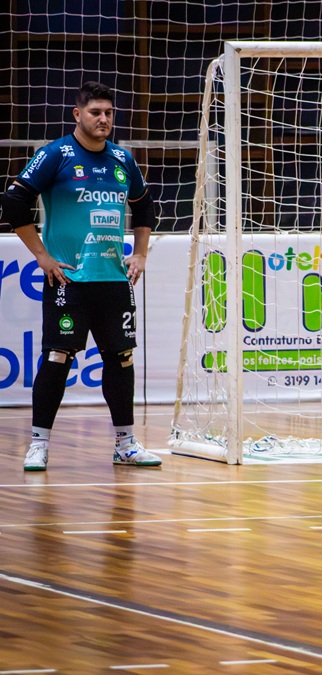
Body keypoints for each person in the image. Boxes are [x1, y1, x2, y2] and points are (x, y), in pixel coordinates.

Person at [1, 81, 161, 471]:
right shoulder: (55, 154)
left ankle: (125, 444)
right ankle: (38, 444)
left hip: (114, 280)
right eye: (95, 112)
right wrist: (42, 256)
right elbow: (14, 201)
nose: (103, 119)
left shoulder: (122, 159)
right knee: (58, 357)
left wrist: (140, 253)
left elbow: (144, 207)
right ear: (78, 114)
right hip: (69, 281)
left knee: (121, 358)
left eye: (109, 113)